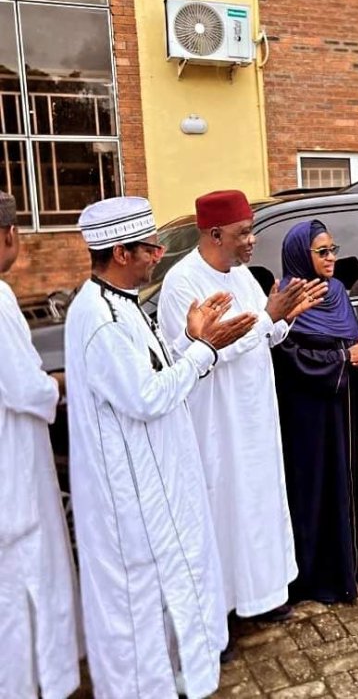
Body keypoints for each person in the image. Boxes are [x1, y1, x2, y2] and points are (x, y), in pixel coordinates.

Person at [65, 196, 256, 698]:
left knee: (170, 592)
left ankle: (180, 678)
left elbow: (150, 369)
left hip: (155, 476)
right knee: (139, 607)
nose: (158, 255)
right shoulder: (101, 319)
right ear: (121, 254)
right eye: (150, 248)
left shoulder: (121, 304)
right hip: (130, 493)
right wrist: (204, 350)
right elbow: (146, 396)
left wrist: (189, 341)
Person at [158, 190, 326, 629]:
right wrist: (269, 318)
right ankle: (221, 613)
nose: (252, 241)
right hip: (217, 422)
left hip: (254, 417)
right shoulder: (183, 284)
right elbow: (204, 354)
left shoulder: (242, 275)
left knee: (259, 504)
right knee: (223, 511)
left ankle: (263, 595)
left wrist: (286, 315)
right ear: (214, 234)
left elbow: (263, 336)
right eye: (243, 233)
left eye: (251, 230)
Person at [274, 219, 358, 603]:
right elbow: (287, 356)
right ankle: (316, 577)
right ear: (300, 256)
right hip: (307, 412)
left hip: (342, 403)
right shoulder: (288, 296)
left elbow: (349, 337)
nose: (331, 257)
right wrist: (343, 357)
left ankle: (351, 565)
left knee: (347, 478)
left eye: (333, 249)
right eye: (322, 252)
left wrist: (357, 355)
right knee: (315, 484)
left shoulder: (336, 291)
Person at [0, 190, 81, 698]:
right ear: (5, 234)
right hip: (13, 472)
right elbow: (23, 388)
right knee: (20, 587)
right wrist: (61, 382)